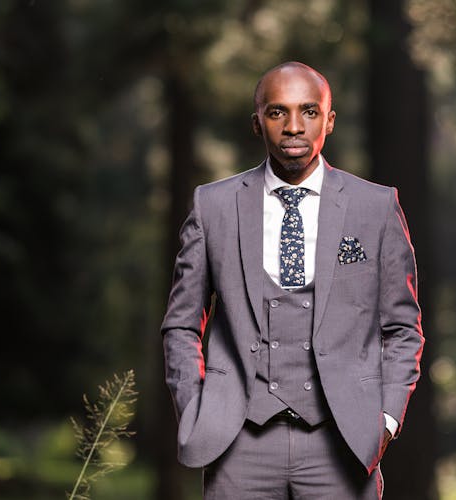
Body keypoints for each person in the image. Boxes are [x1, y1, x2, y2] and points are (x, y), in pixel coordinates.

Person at [161, 61, 423, 499]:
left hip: (343, 441)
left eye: (309, 111)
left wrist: (386, 419)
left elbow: (403, 329)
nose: (294, 126)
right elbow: (181, 324)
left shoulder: (375, 207)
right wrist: (195, 407)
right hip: (238, 443)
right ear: (257, 123)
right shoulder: (214, 205)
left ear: (330, 119)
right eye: (277, 112)